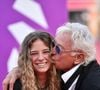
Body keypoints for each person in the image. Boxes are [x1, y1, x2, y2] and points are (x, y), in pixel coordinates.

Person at [3, 22, 100, 90]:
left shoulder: (92, 83)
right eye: (54, 45)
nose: (52, 52)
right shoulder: (16, 84)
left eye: (58, 49)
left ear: (78, 58)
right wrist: (18, 70)